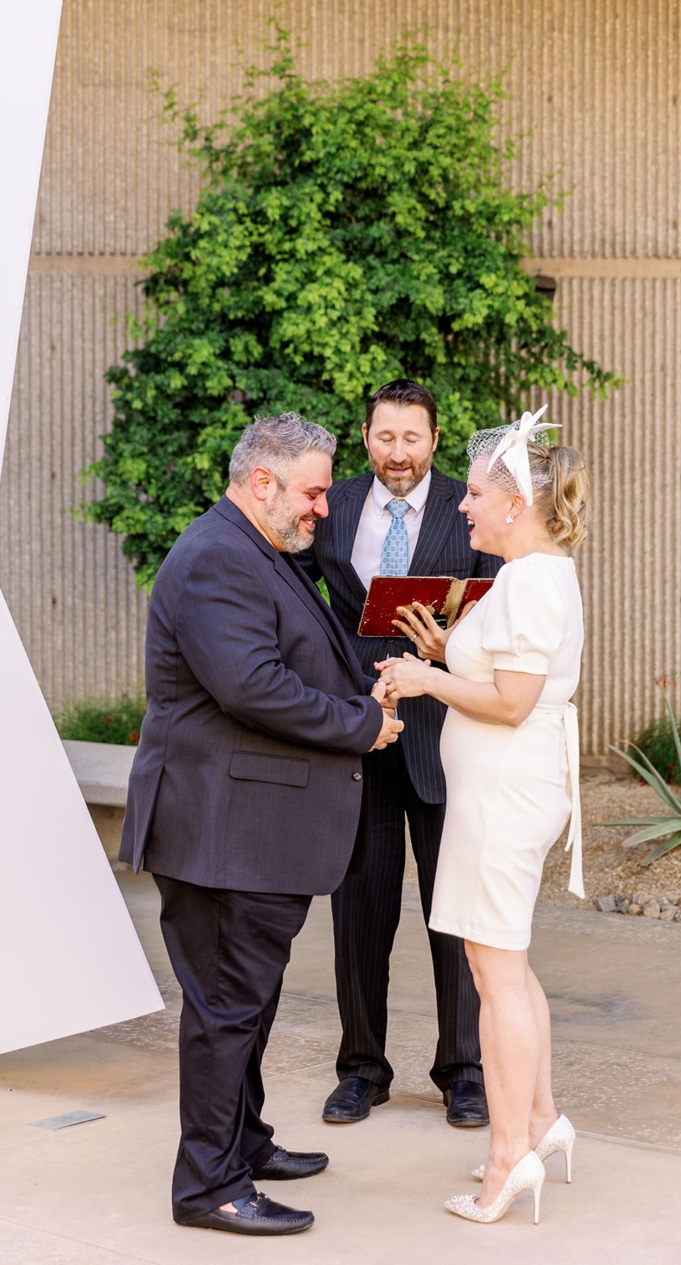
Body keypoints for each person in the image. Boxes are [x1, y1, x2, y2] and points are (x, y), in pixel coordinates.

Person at [119, 414, 403, 1236]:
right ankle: (209, 1186)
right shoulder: (216, 557)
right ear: (263, 482)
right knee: (224, 1010)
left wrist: (364, 689)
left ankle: (241, 1141)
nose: (323, 508)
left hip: (245, 832)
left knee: (247, 1003)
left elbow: (289, 660)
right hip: (219, 832)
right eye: (314, 492)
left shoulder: (253, 551)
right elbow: (254, 686)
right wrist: (359, 726)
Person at [376, 410, 589, 1225]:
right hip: (498, 788)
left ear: (513, 503)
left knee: (494, 976)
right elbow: (497, 670)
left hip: (504, 791)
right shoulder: (528, 574)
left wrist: (427, 683)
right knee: (505, 964)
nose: (461, 508)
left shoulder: (532, 577)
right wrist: (438, 654)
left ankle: (508, 1160)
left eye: (471, 495)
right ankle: (538, 1121)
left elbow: (512, 700)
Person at [300, 379, 498, 1130]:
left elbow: (497, 603)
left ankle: (464, 1070)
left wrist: (454, 649)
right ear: (366, 436)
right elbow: (299, 600)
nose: (398, 452)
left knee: (453, 914)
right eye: (385, 437)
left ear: (435, 441)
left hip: (444, 736)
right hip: (359, 732)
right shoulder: (335, 505)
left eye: (412, 438)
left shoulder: (468, 505)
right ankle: (361, 1069)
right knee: (359, 914)